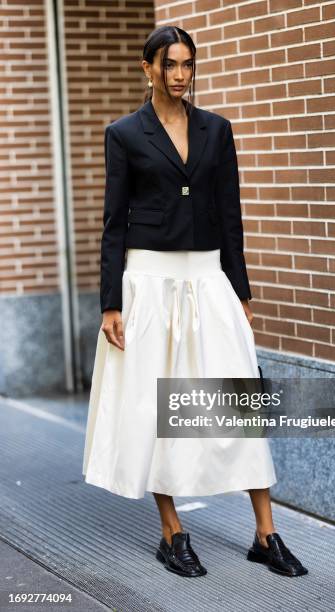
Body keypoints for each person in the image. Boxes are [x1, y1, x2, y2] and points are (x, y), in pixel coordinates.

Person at [82, 25, 308, 579]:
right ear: (148, 68)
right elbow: (114, 225)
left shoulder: (217, 130)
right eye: (170, 64)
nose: (180, 74)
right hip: (150, 284)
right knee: (159, 409)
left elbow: (230, 216)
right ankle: (172, 531)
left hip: (209, 280)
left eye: (188, 64)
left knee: (236, 403)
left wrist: (242, 292)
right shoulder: (124, 134)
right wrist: (111, 303)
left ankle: (265, 533)